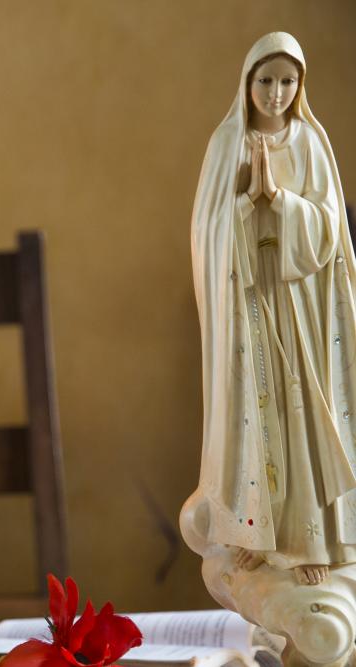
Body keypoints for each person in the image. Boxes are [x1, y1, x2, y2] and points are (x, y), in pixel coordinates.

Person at [184, 32, 356, 587]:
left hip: (300, 303)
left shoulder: (309, 141)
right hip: (249, 302)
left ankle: (312, 537)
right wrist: (244, 204)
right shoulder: (226, 142)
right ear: (248, 82)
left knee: (303, 413)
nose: (277, 93)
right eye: (267, 80)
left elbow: (330, 226)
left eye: (288, 82)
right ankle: (255, 533)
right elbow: (206, 230)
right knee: (256, 413)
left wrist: (280, 203)